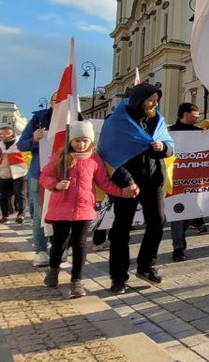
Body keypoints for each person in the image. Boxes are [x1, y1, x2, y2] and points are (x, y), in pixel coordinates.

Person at [39, 121, 136, 298]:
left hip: (84, 208)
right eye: (77, 140)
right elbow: (45, 175)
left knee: (80, 243)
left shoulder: (94, 159)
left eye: (85, 140)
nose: (81, 144)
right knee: (59, 242)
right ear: (70, 141)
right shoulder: (61, 157)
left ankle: (77, 280)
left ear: (90, 141)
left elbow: (104, 183)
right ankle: (53, 271)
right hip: (61, 207)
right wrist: (56, 185)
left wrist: (123, 192)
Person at [97, 83, 175, 294]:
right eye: (151, 100)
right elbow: (109, 155)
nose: (155, 104)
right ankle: (118, 277)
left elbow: (170, 145)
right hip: (127, 183)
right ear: (138, 100)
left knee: (158, 222)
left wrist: (163, 148)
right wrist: (127, 181)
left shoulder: (157, 120)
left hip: (153, 180)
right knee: (121, 230)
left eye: (157, 101)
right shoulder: (115, 122)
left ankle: (146, 266)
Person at [168, 102, 206, 261]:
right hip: (175, 180)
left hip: (195, 179)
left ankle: (181, 234)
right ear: (185, 113)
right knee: (177, 213)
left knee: (194, 210)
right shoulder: (169, 132)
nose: (198, 117)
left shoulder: (201, 132)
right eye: (195, 114)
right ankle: (178, 247)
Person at [18, 107, 53, 266]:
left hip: (66, 174)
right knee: (39, 213)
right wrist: (34, 139)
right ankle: (41, 250)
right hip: (38, 174)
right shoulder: (38, 120)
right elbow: (21, 145)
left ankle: (60, 246)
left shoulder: (75, 117)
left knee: (63, 213)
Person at [0, 125, 27, 224]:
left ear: (12, 133)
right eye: (1, 134)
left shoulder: (20, 142)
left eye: (6, 133)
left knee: (20, 194)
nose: (3, 135)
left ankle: (21, 214)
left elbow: (27, 157)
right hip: (4, 173)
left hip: (19, 172)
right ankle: (5, 215)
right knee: (3, 196)